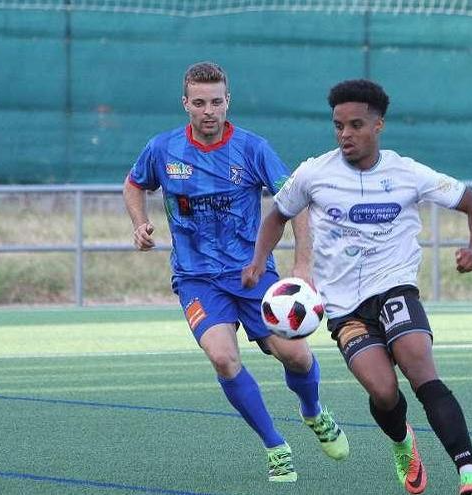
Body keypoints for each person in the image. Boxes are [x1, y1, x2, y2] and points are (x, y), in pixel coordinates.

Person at [242, 79, 472, 495]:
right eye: (338, 125)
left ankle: (471, 475)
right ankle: (402, 442)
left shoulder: (407, 173)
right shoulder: (313, 173)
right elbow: (276, 216)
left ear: (379, 125)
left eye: (356, 125)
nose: (345, 135)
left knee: (420, 367)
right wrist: (257, 264)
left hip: (394, 288)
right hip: (342, 307)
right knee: (383, 391)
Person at [122, 61, 349, 483]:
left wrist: (302, 265)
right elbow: (135, 184)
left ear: (228, 101)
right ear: (185, 104)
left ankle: (314, 413)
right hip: (196, 279)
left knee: (296, 356)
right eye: (199, 103)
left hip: (253, 274)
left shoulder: (252, 149)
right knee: (224, 359)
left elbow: (295, 199)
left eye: (217, 101)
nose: (209, 111)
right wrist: (139, 223)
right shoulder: (163, 149)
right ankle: (275, 446)